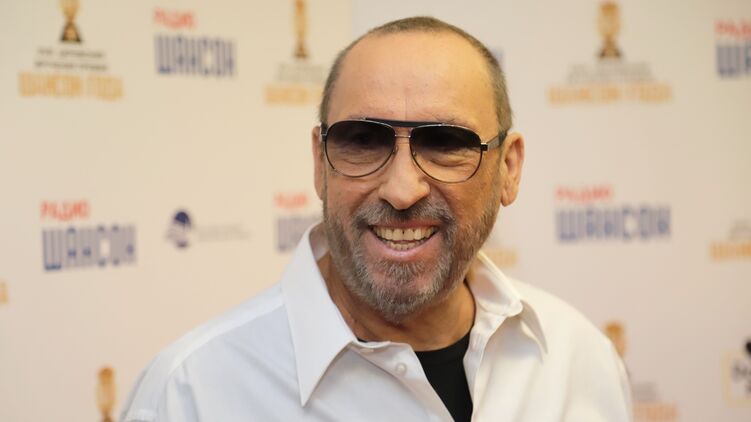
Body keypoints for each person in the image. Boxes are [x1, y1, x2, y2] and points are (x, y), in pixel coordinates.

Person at [121, 16, 632, 422]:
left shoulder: (578, 360)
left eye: (445, 142)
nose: (402, 189)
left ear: (509, 169)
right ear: (319, 163)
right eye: (364, 141)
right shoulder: (189, 395)